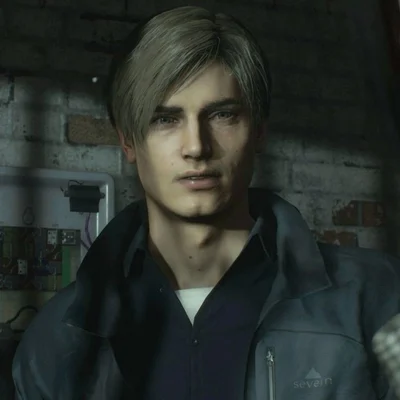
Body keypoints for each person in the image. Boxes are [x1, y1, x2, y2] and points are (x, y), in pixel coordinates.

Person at [12, 6, 400, 400]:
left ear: (259, 130)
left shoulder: (375, 298)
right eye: (165, 119)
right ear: (127, 141)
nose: (196, 146)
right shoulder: (59, 337)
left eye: (222, 115)